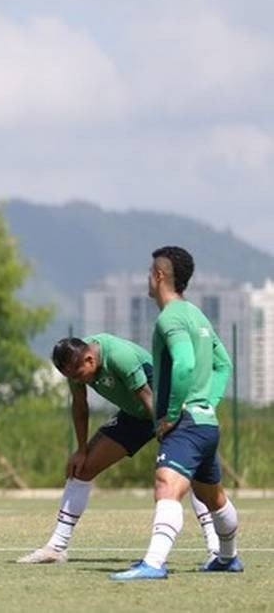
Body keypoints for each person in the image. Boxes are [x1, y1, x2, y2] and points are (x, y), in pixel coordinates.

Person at [17, 334, 221, 564]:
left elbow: (148, 398)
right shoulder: (75, 366)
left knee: (193, 475)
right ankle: (56, 547)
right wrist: (81, 450)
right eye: (70, 377)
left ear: (90, 360)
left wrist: (168, 436)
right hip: (135, 415)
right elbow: (80, 406)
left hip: (164, 409)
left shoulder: (118, 356)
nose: (77, 380)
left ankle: (216, 550)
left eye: (78, 374)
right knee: (82, 468)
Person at [111, 246, 241, 581]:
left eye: (149, 273)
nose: (148, 279)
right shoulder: (196, 314)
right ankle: (228, 558)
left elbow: (183, 363)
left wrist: (169, 414)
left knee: (166, 485)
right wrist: (206, 403)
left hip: (184, 423)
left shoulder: (170, 317)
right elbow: (223, 363)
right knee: (213, 496)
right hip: (206, 423)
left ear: (158, 275)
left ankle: (153, 563)